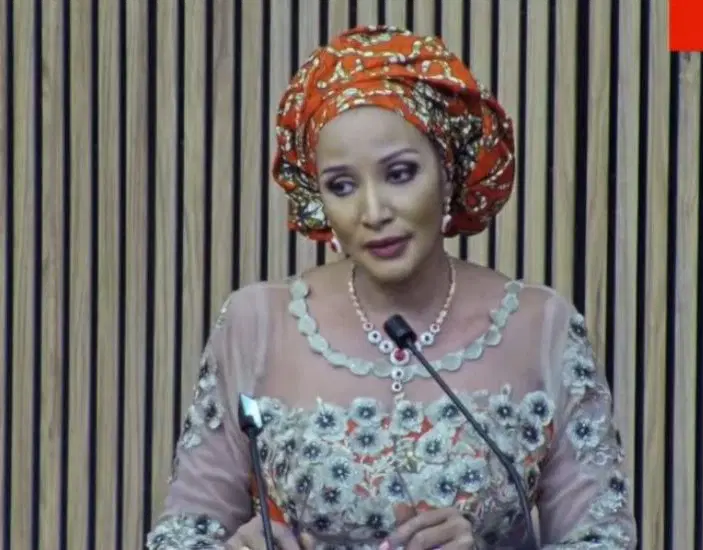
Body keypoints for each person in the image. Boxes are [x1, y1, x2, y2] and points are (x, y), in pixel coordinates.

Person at [146, 25, 637, 550]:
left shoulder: (542, 329)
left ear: (448, 172)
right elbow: (180, 535)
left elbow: (604, 541)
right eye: (342, 186)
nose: (373, 211)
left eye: (400, 174)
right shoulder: (257, 324)